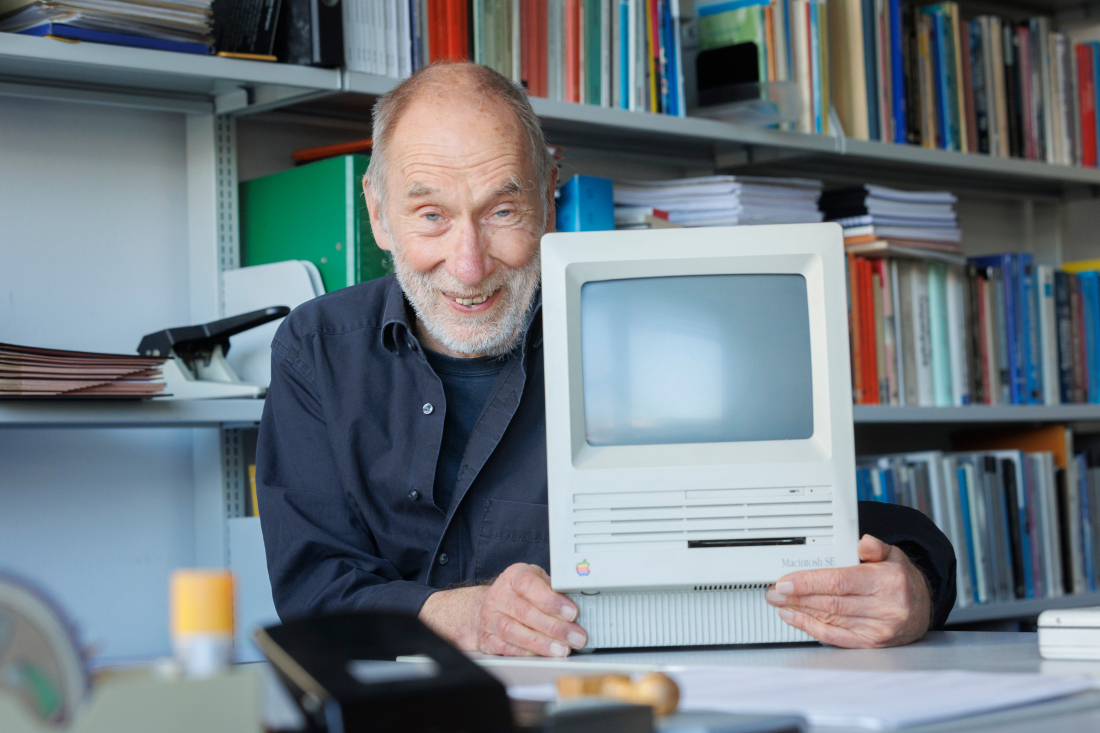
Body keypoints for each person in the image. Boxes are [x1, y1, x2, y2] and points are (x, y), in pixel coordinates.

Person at [256, 61, 956, 656]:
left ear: (547, 195)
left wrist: (911, 591)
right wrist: (467, 615)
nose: (468, 265)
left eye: (502, 212)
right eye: (431, 216)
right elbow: (314, 590)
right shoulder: (315, 354)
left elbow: (807, 516)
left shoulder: (634, 329)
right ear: (378, 213)